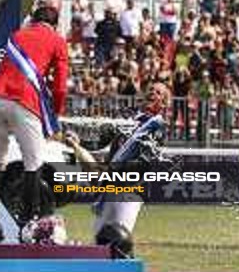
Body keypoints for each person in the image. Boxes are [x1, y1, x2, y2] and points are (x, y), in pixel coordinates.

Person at [0, 5, 69, 237]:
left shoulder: (16, 35)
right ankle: (28, 223)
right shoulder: (57, 40)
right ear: (56, 24)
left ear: (32, 19)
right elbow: (60, 86)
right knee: (34, 163)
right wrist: (55, 114)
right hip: (24, 101)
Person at [65, 83, 171, 258]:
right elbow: (101, 141)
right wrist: (78, 143)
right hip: (110, 186)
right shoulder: (127, 119)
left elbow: (145, 162)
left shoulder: (157, 128)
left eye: (158, 92)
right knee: (100, 237)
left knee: (120, 238)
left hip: (130, 189)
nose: (152, 92)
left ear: (164, 103)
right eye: (150, 89)